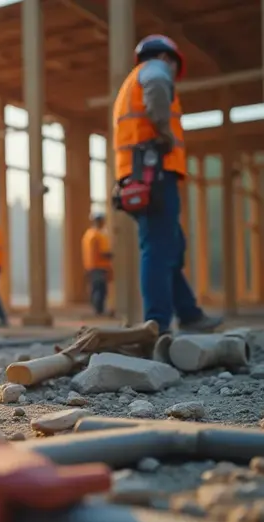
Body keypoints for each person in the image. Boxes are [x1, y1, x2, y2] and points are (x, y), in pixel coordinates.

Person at [113, 34, 221, 334]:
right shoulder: (155, 70)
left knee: (170, 245)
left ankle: (189, 314)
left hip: (138, 176)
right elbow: (158, 87)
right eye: (174, 67)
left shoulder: (130, 82)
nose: (173, 74)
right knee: (159, 248)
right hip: (154, 173)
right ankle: (157, 324)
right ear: (166, 58)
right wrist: (163, 130)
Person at [81, 213, 113, 316]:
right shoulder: (97, 236)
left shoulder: (88, 235)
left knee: (96, 288)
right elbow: (102, 252)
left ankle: (97, 309)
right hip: (99, 266)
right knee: (100, 289)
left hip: (91, 266)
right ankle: (99, 310)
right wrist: (109, 255)